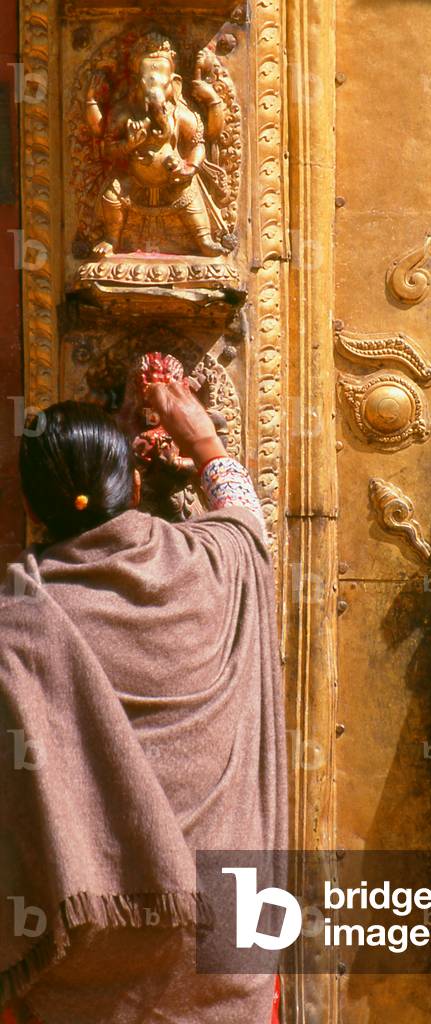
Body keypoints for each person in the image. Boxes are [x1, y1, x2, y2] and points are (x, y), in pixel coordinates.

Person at [0, 381, 286, 1024]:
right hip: (223, 935)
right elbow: (246, 520)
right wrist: (203, 440)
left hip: (87, 954)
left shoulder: (19, 626)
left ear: (29, 504)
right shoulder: (215, 565)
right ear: (132, 486)